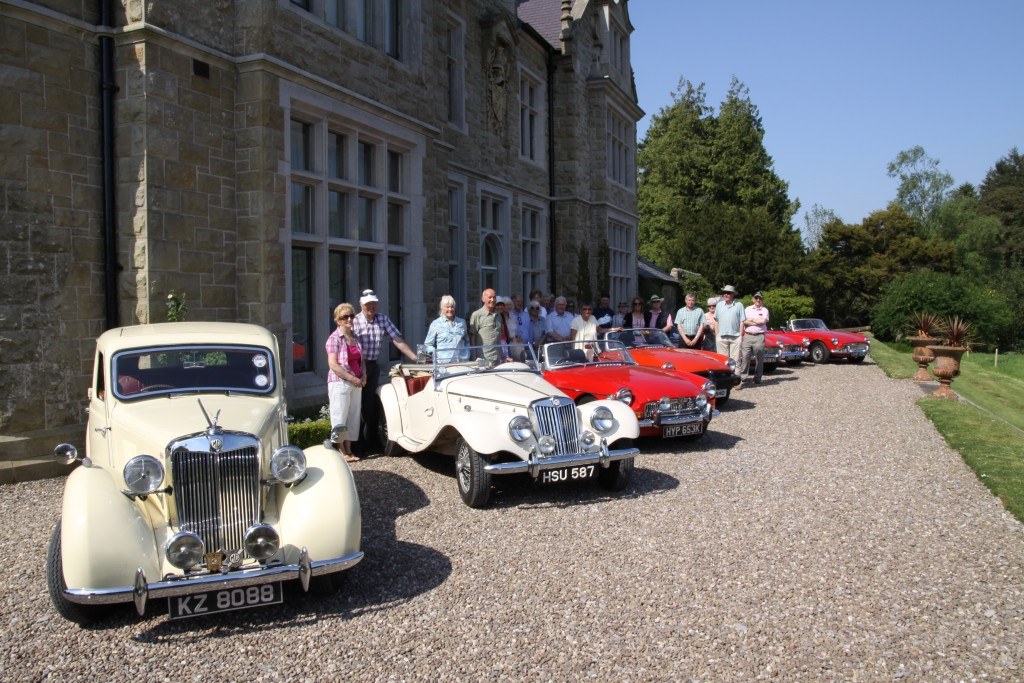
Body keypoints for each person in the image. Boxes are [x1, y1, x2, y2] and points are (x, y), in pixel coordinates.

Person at [353, 289, 418, 454]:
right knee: (354, 406)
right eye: (368, 304)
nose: (371, 307)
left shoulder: (382, 319)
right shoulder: (354, 321)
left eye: (374, 304)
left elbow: (397, 339)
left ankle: (370, 444)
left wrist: (414, 357)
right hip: (355, 367)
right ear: (361, 304)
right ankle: (355, 447)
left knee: (370, 406)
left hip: (372, 366)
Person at [325, 303, 366, 463]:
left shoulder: (355, 338)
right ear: (337, 320)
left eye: (351, 316)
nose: (348, 319)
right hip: (340, 383)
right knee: (339, 416)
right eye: (344, 317)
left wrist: (364, 376)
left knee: (353, 417)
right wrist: (352, 378)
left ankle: (349, 449)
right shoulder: (334, 339)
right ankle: (342, 451)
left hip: (356, 384)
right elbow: (333, 365)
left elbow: (361, 360)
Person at [424, 295, 469, 363]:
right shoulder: (436, 324)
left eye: (452, 307)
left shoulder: (462, 322)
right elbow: (427, 344)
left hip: (461, 362)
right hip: (443, 364)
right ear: (442, 308)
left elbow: (466, 340)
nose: (450, 309)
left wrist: (467, 354)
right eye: (447, 307)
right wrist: (435, 353)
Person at [715, 285, 745, 382]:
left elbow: (742, 321)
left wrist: (740, 336)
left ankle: (736, 382)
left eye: (729, 293)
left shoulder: (739, 305)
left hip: (735, 337)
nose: (726, 294)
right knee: (722, 361)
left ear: (733, 295)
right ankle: (724, 381)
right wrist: (717, 335)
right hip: (722, 337)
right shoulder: (719, 305)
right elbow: (716, 321)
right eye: (725, 292)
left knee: (736, 360)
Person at [740, 291, 770, 385]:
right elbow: (744, 321)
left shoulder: (765, 310)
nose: (758, 300)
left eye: (760, 298)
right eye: (756, 298)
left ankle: (757, 378)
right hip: (748, 335)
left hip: (759, 336)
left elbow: (763, 320)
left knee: (759, 358)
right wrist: (755, 321)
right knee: (745, 357)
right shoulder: (747, 309)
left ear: (762, 300)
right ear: (753, 299)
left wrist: (751, 320)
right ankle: (743, 377)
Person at [468, 288, 502, 361]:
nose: (492, 300)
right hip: (483, 358)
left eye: (494, 297)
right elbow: (472, 338)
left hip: (497, 358)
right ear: (483, 299)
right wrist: (474, 358)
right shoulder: (477, 315)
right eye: (490, 297)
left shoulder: (498, 315)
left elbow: (499, 338)